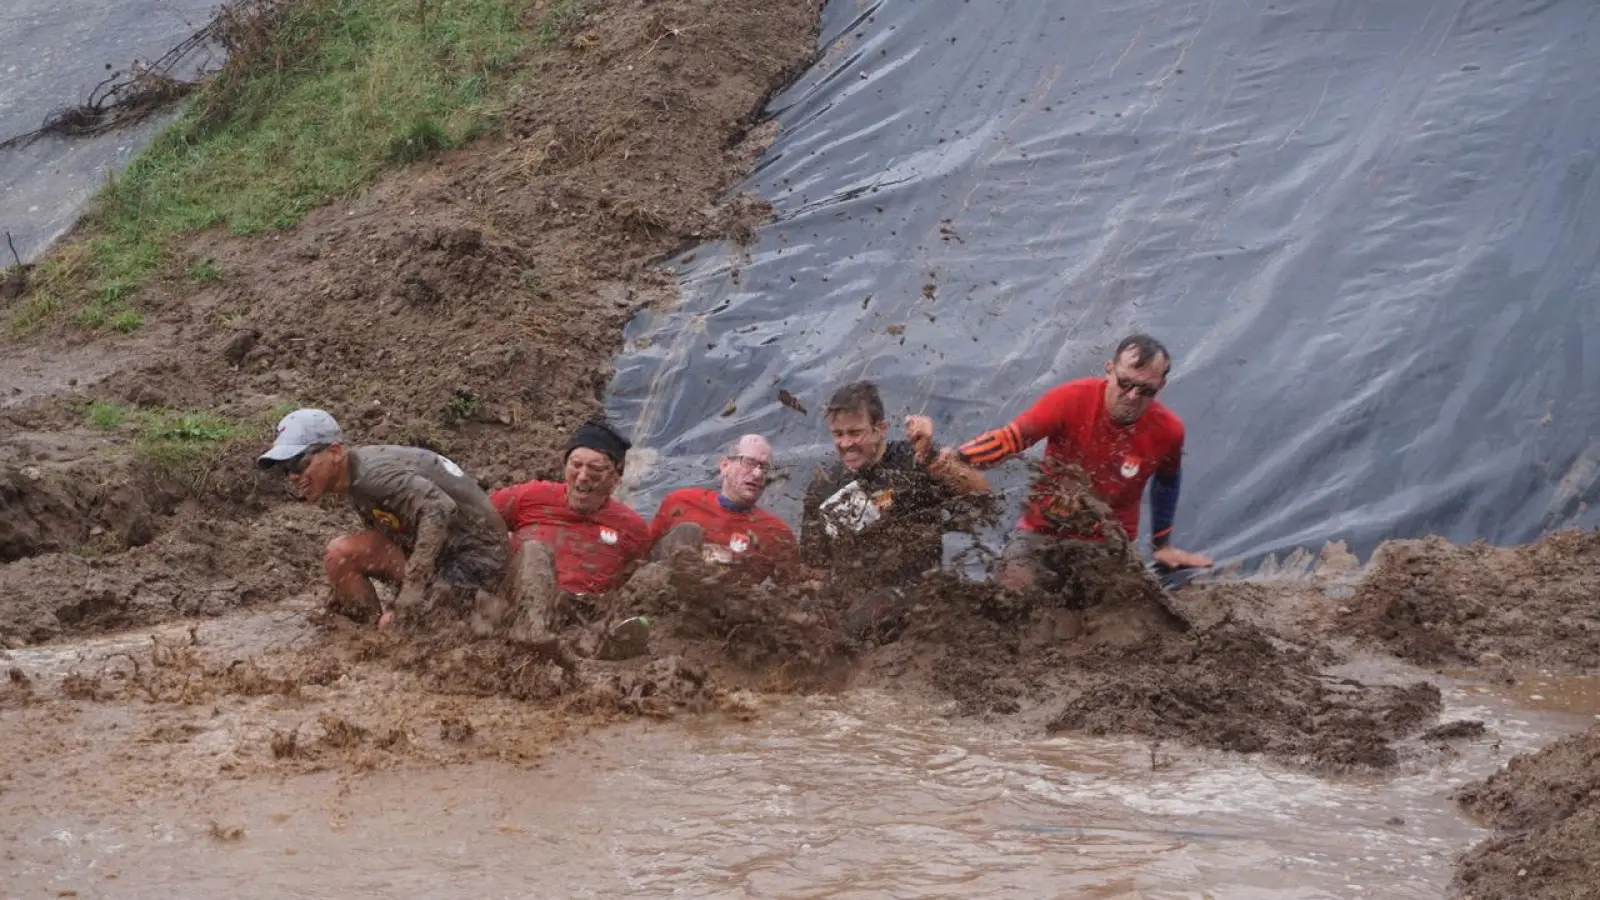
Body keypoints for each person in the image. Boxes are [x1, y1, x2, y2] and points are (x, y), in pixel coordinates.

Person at [955, 333, 1212, 598]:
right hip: (1040, 534)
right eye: (1125, 383)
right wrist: (955, 460)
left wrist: (1162, 545)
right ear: (1109, 371)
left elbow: (1168, 481)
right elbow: (1011, 438)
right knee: (1010, 596)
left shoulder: (1168, 430)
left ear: (1162, 385)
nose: (1133, 396)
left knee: (1129, 618)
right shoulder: (1071, 399)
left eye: (1147, 390)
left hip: (1110, 545)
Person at [255, 408, 512, 630]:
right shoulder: (354, 477)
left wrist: (412, 589)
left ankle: (438, 618)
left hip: (476, 559)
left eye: (299, 464)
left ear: (334, 452)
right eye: (285, 469)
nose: (292, 476)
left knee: (398, 626)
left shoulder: (372, 476)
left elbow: (439, 508)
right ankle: (369, 631)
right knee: (340, 556)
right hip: (446, 550)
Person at [799, 380, 990, 638]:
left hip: (914, 593)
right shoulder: (822, 489)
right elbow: (816, 570)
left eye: (855, 433)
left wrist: (935, 460)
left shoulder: (913, 461)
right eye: (838, 434)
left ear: (881, 429)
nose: (845, 444)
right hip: (851, 595)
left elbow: (981, 495)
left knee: (851, 629)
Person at [488, 420, 654, 656]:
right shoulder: (527, 496)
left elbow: (639, 580)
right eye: (576, 465)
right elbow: (478, 523)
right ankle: (534, 634)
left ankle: (595, 645)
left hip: (584, 610)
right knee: (535, 550)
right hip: (521, 605)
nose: (583, 476)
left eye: (595, 469)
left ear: (616, 477)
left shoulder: (633, 528)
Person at [648, 434, 800, 586]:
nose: (758, 474)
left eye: (764, 467)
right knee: (687, 531)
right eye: (749, 463)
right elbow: (640, 557)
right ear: (725, 465)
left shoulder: (776, 533)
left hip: (729, 606)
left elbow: (796, 593)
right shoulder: (680, 502)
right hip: (668, 596)